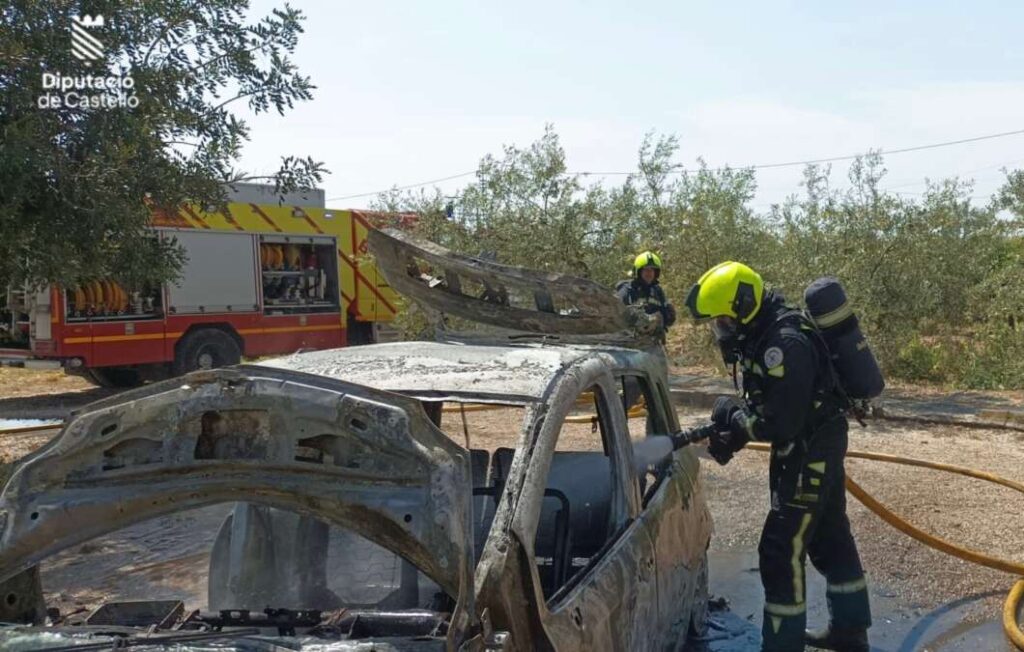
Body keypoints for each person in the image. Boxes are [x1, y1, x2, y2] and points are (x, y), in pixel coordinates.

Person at [684, 261, 871, 652]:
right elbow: (774, 409)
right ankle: (849, 633)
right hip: (812, 442)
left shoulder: (783, 344)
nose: (720, 330)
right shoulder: (764, 333)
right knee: (829, 534)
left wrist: (736, 421)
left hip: (809, 448)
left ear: (743, 307)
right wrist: (733, 428)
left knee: (780, 548)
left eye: (722, 320)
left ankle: (782, 645)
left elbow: (780, 423)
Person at [615, 250, 676, 342]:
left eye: (652, 270)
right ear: (638, 271)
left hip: (654, 344)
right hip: (631, 343)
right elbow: (617, 316)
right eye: (646, 270)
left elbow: (665, 317)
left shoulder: (657, 291)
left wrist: (667, 317)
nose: (649, 273)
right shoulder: (627, 290)